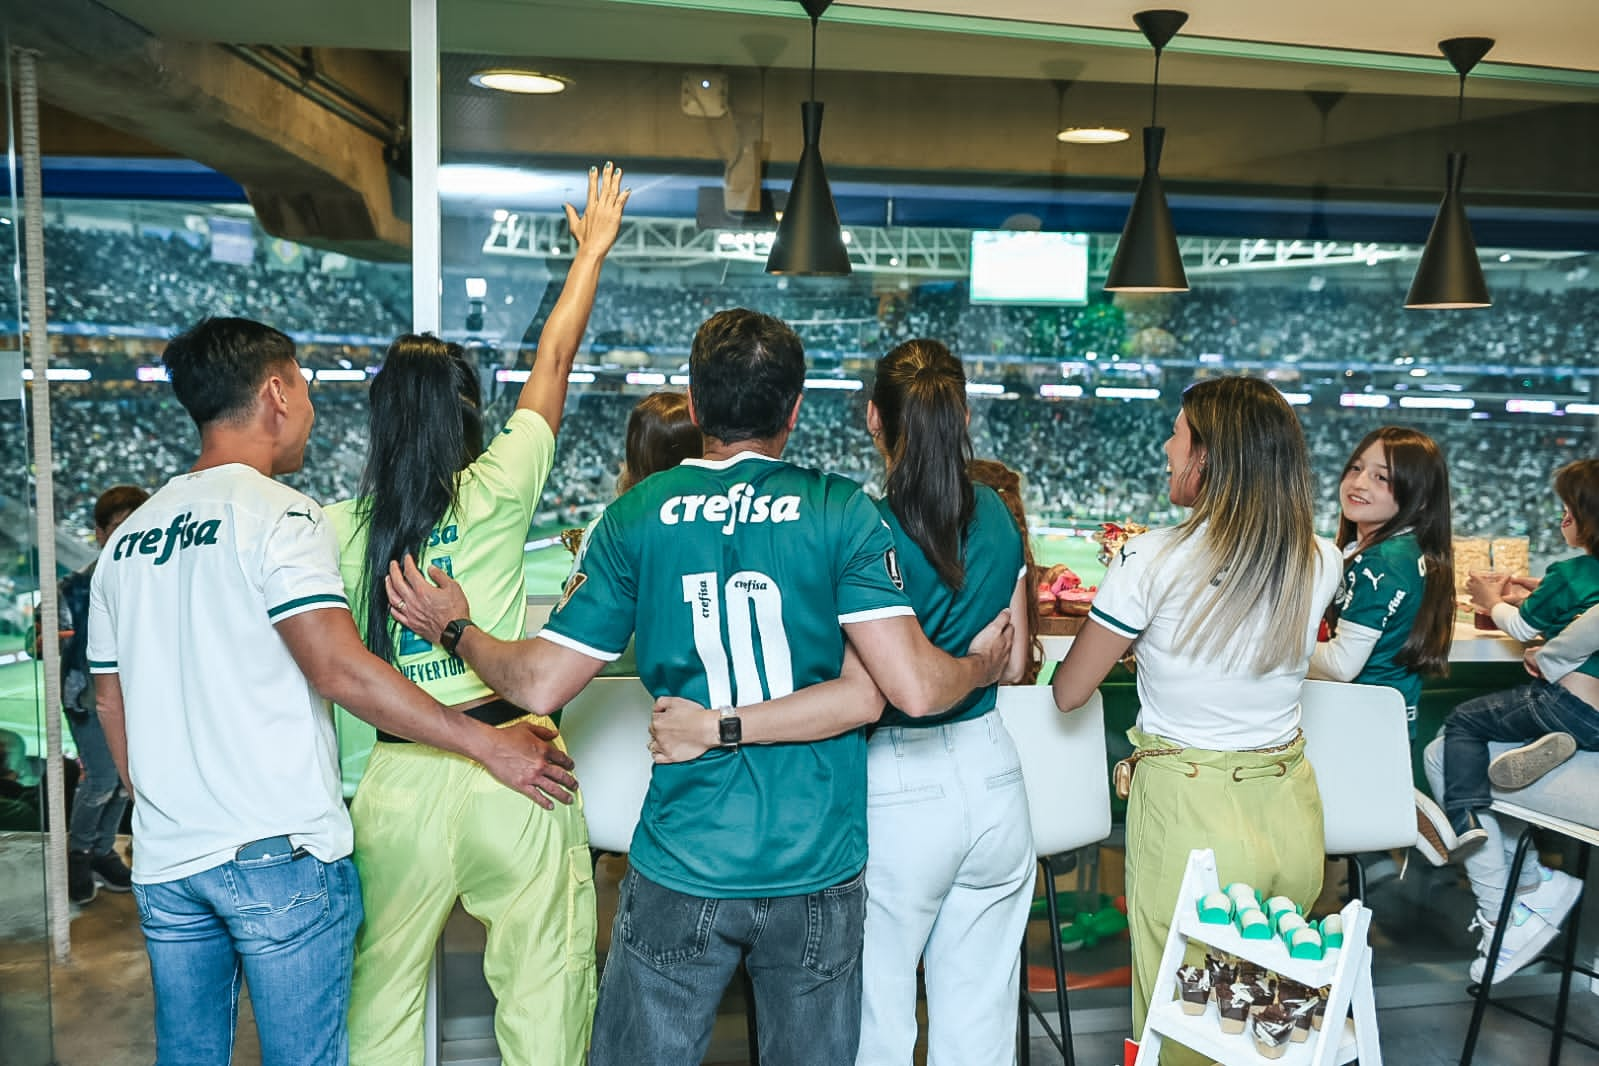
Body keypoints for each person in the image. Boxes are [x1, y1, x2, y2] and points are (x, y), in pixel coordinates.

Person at [387, 308, 1014, 1066]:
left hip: (685, 857)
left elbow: (540, 682)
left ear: (691, 401)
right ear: (794, 408)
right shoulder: (843, 510)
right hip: (816, 863)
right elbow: (890, 691)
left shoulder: (633, 517)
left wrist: (455, 628)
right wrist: (984, 665)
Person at [87, 317, 579, 1066]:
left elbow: (109, 696)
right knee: (538, 988)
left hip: (192, 845)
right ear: (276, 392)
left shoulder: (145, 538)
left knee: (354, 1011)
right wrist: (488, 743)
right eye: (308, 387)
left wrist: (151, 795)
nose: (315, 407)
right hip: (315, 833)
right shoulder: (287, 518)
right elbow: (338, 669)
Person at [327, 161, 627, 1066]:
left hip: (398, 786)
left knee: (377, 1002)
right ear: (468, 419)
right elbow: (554, 360)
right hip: (518, 769)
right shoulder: (497, 490)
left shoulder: (343, 531)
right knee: (543, 997)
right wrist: (591, 254)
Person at [1050, 376, 1342, 1053]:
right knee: (1262, 1019)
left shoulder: (1149, 556)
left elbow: (1069, 691)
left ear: (1209, 456)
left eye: (1176, 434)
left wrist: (1140, 651)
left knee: (1176, 1024)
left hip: (1188, 815)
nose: (1165, 447)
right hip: (1291, 812)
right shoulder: (1320, 559)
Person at [1416, 458, 1599, 983]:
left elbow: (1523, 629)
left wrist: (1494, 602)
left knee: (1460, 731)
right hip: (1591, 723)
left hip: (1567, 704)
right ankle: (1527, 883)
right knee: (1495, 759)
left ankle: (1469, 827)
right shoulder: (1575, 580)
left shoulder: (1571, 573)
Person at [1303, 427, 1457, 867]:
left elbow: (1341, 665)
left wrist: (1273, 646)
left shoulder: (1382, 561)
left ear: (1418, 495)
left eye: (1381, 478)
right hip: (1384, 722)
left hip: (1351, 732)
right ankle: (1396, 811)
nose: (1359, 483)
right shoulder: (1403, 550)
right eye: (1356, 468)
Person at [60, 484, 149, 903]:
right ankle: (78, 852)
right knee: (102, 777)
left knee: (124, 780)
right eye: (117, 526)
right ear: (98, 533)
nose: (127, 533)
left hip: (139, 691)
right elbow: (42, 636)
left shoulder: (153, 578)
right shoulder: (76, 585)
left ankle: (100, 849)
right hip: (88, 693)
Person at [970, 457, 1045, 684]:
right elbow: (1014, 671)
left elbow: (1013, 669)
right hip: (1009, 700)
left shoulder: (976, 560)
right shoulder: (1016, 556)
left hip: (973, 700)